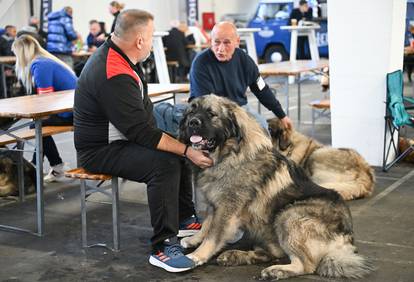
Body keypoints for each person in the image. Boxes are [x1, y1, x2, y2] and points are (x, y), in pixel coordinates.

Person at [74, 9, 213, 272]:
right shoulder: (113, 71)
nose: (151, 42)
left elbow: (143, 122)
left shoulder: (121, 56)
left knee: (176, 147)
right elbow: (143, 133)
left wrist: (181, 146)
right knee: (166, 162)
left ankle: (184, 220)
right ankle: (163, 247)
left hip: (121, 140)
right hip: (99, 151)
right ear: (139, 40)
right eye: (149, 37)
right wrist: (187, 151)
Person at [190, 21, 293, 131]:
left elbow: (261, 89)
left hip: (239, 108)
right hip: (209, 113)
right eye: (216, 42)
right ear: (210, 41)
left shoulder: (244, 59)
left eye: (226, 43)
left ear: (237, 42)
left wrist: (282, 115)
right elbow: (205, 102)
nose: (220, 48)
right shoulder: (200, 63)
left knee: (263, 128)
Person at [12, 35, 76, 182]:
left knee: (37, 125)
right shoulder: (45, 61)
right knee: (38, 126)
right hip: (76, 109)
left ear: (21, 53)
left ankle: (49, 167)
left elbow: (45, 101)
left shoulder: (40, 65)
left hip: (73, 113)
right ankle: (39, 167)